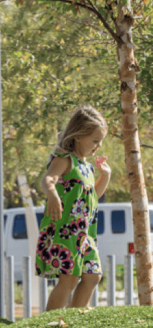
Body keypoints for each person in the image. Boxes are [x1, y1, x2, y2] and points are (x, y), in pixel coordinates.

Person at [36, 106, 111, 311]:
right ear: (78, 136)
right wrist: (52, 193)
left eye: (100, 141)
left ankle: (73, 320)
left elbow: (93, 196)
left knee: (93, 276)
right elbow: (48, 179)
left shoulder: (86, 167)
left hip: (84, 233)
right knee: (70, 278)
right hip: (67, 230)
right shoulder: (64, 159)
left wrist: (105, 176)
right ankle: (49, 323)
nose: (98, 146)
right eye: (95, 141)